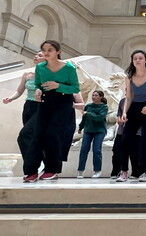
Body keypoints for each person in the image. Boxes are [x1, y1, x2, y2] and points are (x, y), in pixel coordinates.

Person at [23, 40, 80, 182]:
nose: (46, 53)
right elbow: (38, 84)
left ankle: (52, 169)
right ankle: (31, 171)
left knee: (52, 134)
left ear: (58, 52)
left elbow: (75, 88)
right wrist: (38, 89)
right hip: (45, 101)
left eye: (50, 50)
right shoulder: (41, 67)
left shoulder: (69, 68)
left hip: (63, 102)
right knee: (37, 135)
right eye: (44, 50)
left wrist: (58, 86)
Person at [116, 50, 146, 182]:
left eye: (140, 58)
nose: (137, 60)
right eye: (135, 58)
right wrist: (125, 111)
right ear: (132, 61)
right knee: (125, 140)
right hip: (134, 108)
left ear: (145, 60)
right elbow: (129, 96)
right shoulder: (129, 76)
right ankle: (124, 171)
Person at [77, 90, 109, 179]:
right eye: (93, 95)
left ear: (101, 97)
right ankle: (80, 170)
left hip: (100, 131)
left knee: (97, 150)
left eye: (96, 95)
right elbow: (84, 118)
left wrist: (88, 113)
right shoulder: (88, 106)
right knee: (84, 149)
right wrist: (80, 127)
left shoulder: (104, 107)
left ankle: (97, 171)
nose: (93, 97)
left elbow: (99, 118)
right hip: (88, 130)